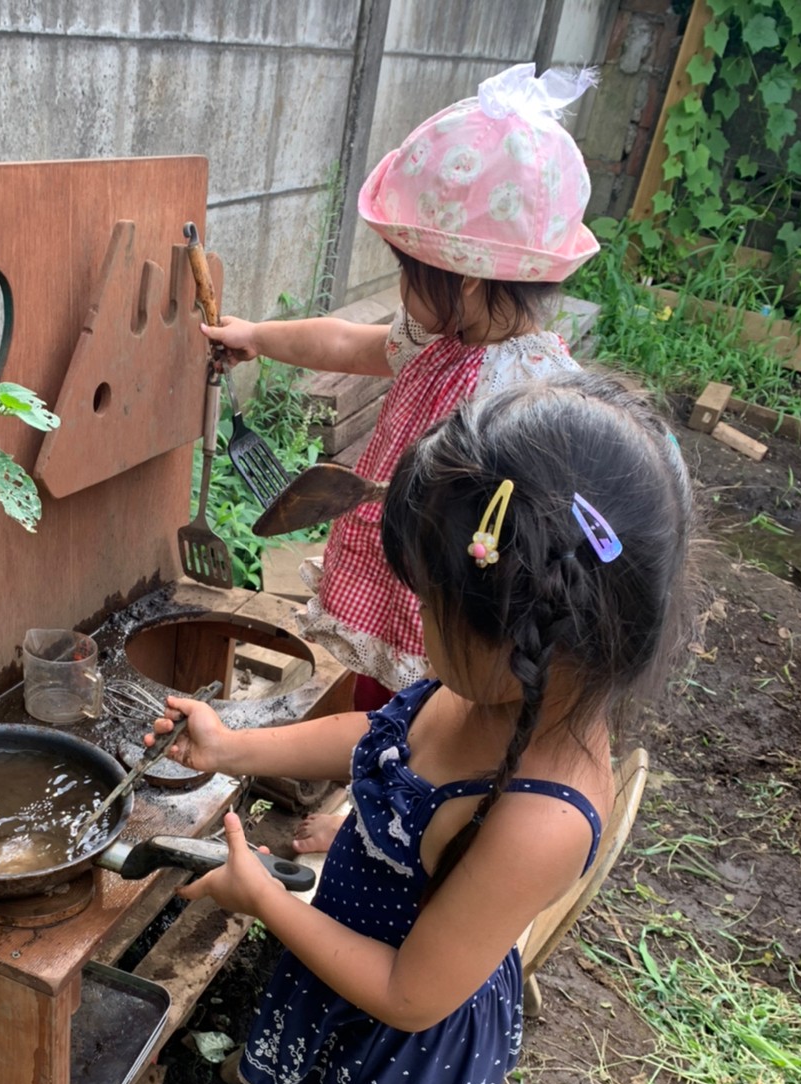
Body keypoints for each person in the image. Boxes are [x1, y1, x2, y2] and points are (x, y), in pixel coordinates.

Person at [145, 373, 692, 1084]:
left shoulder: (537, 812)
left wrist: (265, 895)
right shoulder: (495, 686)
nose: (414, 626)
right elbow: (378, 734)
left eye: (433, 606)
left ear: (528, 632)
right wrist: (234, 747)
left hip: (411, 1028)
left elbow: (407, 991)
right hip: (372, 970)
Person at [201, 63, 601, 853]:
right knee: (378, 693)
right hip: (397, 563)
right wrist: (258, 337)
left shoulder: (531, 389)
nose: (400, 290)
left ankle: (376, 818)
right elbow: (350, 344)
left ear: (468, 278)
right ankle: (362, 783)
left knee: (430, 707)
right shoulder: (441, 336)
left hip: (456, 594)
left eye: (409, 274)